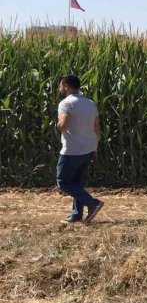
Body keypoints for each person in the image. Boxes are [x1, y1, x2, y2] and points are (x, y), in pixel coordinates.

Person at [55, 74, 104, 224]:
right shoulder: (90, 103)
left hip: (71, 150)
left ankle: (93, 203)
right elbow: (97, 129)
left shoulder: (66, 103)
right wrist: (94, 150)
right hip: (87, 149)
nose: (60, 88)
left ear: (66, 85)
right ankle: (76, 214)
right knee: (76, 183)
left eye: (61, 85)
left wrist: (57, 126)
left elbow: (63, 124)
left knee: (62, 182)